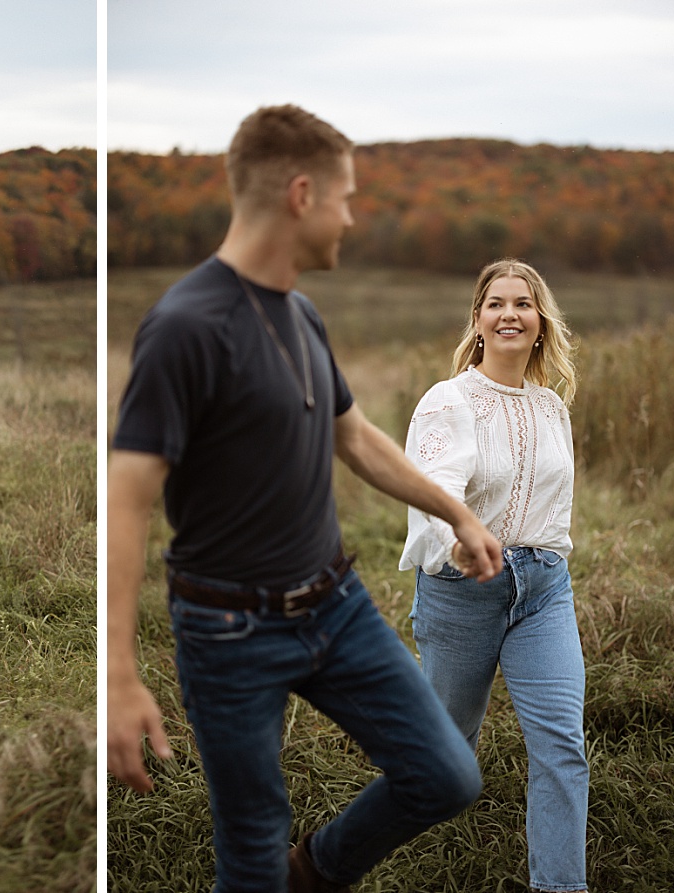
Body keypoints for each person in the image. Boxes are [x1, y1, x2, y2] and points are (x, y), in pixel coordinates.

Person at [107, 104, 506, 893]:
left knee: (447, 775)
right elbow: (127, 499)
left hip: (336, 604)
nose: (351, 217)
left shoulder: (302, 313)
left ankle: (317, 872)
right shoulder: (185, 326)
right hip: (229, 631)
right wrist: (118, 674)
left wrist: (456, 511)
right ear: (300, 193)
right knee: (250, 851)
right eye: (345, 197)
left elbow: (356, 439)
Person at [400, 259, 586, 892]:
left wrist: (547, 562)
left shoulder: (552, 407)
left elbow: (555, 506)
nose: (510, 314)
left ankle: (560, 885)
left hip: (543, 591)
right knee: (448, 756)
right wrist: (461, 541)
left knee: (562, 744)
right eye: (496, 304)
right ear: (478, 321)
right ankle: (408, 858)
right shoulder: (448, 402)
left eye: (524, 304)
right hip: (464, 592)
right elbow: (431, 492)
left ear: (541, 323)